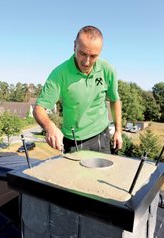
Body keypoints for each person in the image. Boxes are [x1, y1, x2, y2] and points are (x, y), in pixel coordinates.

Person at [33, 25, 123, 154]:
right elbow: (39, 108)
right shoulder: (59, 74)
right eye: (82, 53)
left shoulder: (107, 69)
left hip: (101, 136)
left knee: (103, 174)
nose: (86, 62)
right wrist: (49, 127)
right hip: (73, 141)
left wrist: (118, 131)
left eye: (93, 56)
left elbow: (115, 100)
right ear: (75, 46)